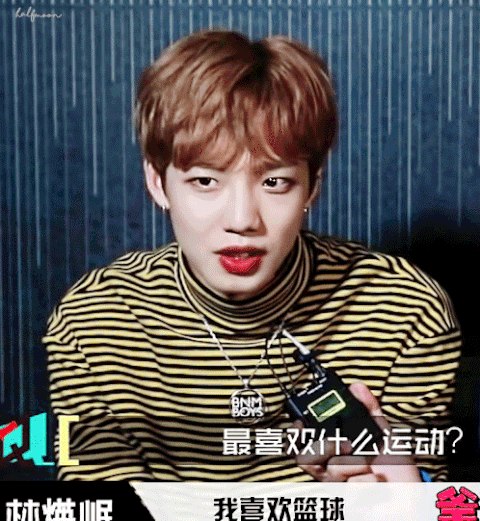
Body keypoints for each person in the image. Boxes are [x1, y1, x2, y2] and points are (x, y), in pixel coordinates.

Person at [43, 30, 461, 482]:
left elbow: (434, 498)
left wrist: (405, 499)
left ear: (313, 185)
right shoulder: (95, 321)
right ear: (157, 183)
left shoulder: (405, 309)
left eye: (274, 182)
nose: (242, 220)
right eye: (205, 181)